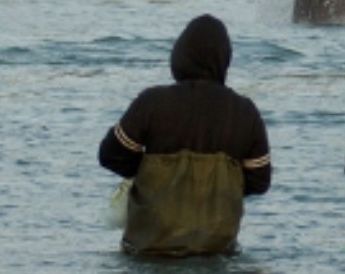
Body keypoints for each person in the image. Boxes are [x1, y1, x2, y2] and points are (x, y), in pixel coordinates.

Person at [99, 14, 271, 256]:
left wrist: (150, 174)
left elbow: (110, 155)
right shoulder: (245, 112)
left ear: (179, 56)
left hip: (151, 251)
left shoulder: (152, 102)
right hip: (217, 252)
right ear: (225, 60)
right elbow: (259, 181)